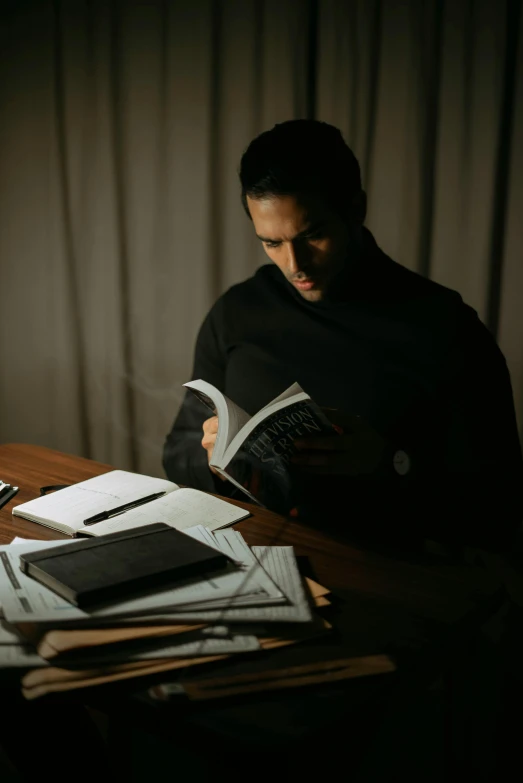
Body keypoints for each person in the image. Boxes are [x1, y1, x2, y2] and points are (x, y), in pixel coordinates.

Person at [163, 119, 523, 551]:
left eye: (312, 235)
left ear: (356, 209)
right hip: (255, 555)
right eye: (271, 243)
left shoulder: (446, 328)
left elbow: (499, 502)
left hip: (390, 570)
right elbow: (177, 450)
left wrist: (392, 462)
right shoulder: (238, 311)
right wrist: (212, 459)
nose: (295, 264)